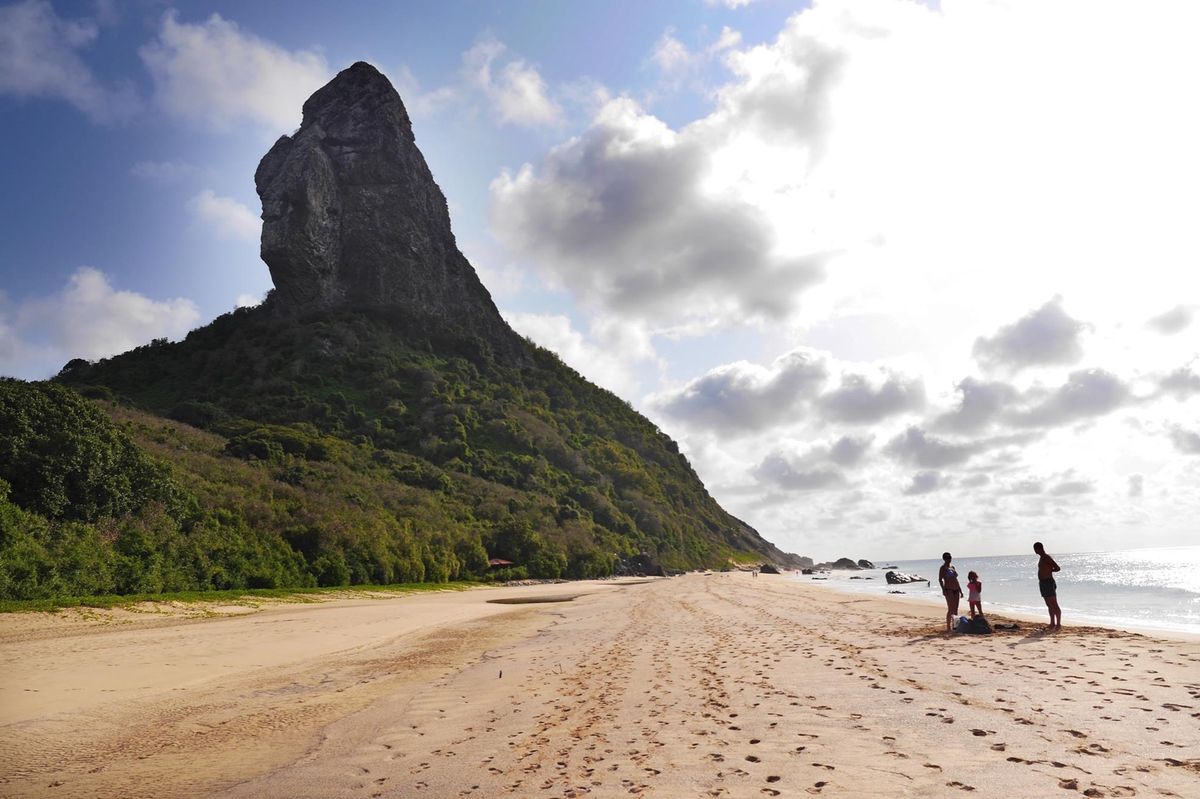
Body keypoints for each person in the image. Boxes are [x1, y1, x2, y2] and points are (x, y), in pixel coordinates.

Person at [1034, 541, 1062, 629]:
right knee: (1048, 604)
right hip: (1043, 583)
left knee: (1054, 603)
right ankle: (1052, 623)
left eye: (1035, 549)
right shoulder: (1042, 558)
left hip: (1048, 582)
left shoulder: (1046, 557)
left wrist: (1050, 571)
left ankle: (1058, 624)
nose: (1035, 551)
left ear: (1039, 548)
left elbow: (1057, 568)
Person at [938, 552, 962, 633]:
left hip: (956, 589)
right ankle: (948, 627)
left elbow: (956, 579)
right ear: (944, 559)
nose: (949, 559)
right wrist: (943, 589)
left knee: (956, 609)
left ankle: (955, 626)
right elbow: (940, 579)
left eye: (950, 557)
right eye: (947, 558)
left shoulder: (952, 567)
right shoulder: (943, 568)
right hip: (949, 589)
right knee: (950, 609)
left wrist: (960, 590)